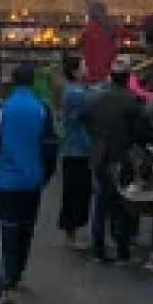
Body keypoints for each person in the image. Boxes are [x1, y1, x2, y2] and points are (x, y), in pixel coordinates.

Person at [0, 60, 57, 300]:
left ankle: (9, 274)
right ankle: (18, 270)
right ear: (33, 81)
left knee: (8, 228)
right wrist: (46, 175)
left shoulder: (1, 110)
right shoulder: (42, 109)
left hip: (5, 180)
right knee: (26, 227)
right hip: (32, 180)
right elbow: (50, 147)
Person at [87, 56, 153, 263]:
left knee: (101, 202)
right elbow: (140, 131)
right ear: (126, 78)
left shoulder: (95, 98)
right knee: (122, 204)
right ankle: (122, 248)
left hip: (99, 156)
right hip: (122, 157)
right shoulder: (132, 101)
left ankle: (98, 248)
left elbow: (87, 122)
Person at [56, 53, 92, 248]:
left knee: (76, 191)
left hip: (74, 147)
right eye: (83, 66)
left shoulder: (74, 90)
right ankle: (72, 234)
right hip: (77, 148)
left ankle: (73, 231)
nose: (86, 68)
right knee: (76, 192)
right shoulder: (77, 94)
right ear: (75, 71)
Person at [79, 0, 121, 84]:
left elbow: (81, 47)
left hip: (92, 76)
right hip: (107, 74)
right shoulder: (112, 27)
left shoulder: (87, 31)